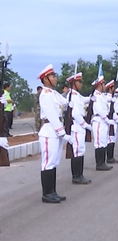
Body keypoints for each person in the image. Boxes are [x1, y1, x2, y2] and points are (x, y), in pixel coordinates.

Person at [37, 64, 72, 203]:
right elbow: (51, 115)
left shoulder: (53, 93)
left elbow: (65, 103)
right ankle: (46, 193)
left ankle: (52, 191)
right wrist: (63, 133)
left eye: (54, 76)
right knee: (47, 163)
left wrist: (71, 93)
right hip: (49, 131)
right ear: (45, 79)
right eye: (52, 76)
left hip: (55, 131)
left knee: (54, 162)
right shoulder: (45, 95)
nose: (55, 78)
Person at [66, 72, 93, 185]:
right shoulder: (72, 95)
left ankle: (80, 174)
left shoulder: (77, 95)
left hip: (79, 127)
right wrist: (85, 125)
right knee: (77, 151)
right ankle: (76, 176)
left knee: (81, 150)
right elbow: (75, 114)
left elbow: (84, 100)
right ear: (73, 83)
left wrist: (92, 97)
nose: (81, 84)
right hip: (77, 126)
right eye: (79, 82)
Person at [91, 76, 114, 171]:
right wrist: (107, 119)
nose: (105, 85)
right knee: (99, 143)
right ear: (99, 85)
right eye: (103, 84)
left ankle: (102, 162)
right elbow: (99, 110)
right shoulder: (96, 95)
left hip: (103, 121)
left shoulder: (101, 95)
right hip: (99, 120)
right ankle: (99, 163)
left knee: (103, 142)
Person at [104, 80, 118, 164]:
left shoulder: (113, 98)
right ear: (110, 88)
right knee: (110, 139)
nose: (114, 89)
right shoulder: (107, 98)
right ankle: (109, 158)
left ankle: (111, 157)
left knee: (113, 139)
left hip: (114, 119)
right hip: (110, 120)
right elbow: (110, 111)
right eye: (113, 87)